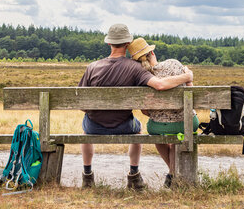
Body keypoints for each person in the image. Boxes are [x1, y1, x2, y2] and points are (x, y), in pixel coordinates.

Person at [78, 24, 193, 190]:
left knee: (85, 131)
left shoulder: (92, 67)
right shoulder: (135, 68)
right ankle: (134, 176)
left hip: (94, 126)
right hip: (124, 125)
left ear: (109, 43)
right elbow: (160, 85)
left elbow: (82, 104)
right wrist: (186, 76)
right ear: (127, 44)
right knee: (137, 130)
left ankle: (87, 176)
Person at [127, 37, 199, 188]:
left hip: (158, 127)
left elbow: (145, 111)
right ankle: (173, 173)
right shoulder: (173, 64)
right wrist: (189, 76)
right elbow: (191, 92)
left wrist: (159, 113)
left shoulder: (141, 76)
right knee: (174, 139)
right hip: (185, 122)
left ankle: (172, 174)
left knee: (158, 135)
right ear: (152, 52)